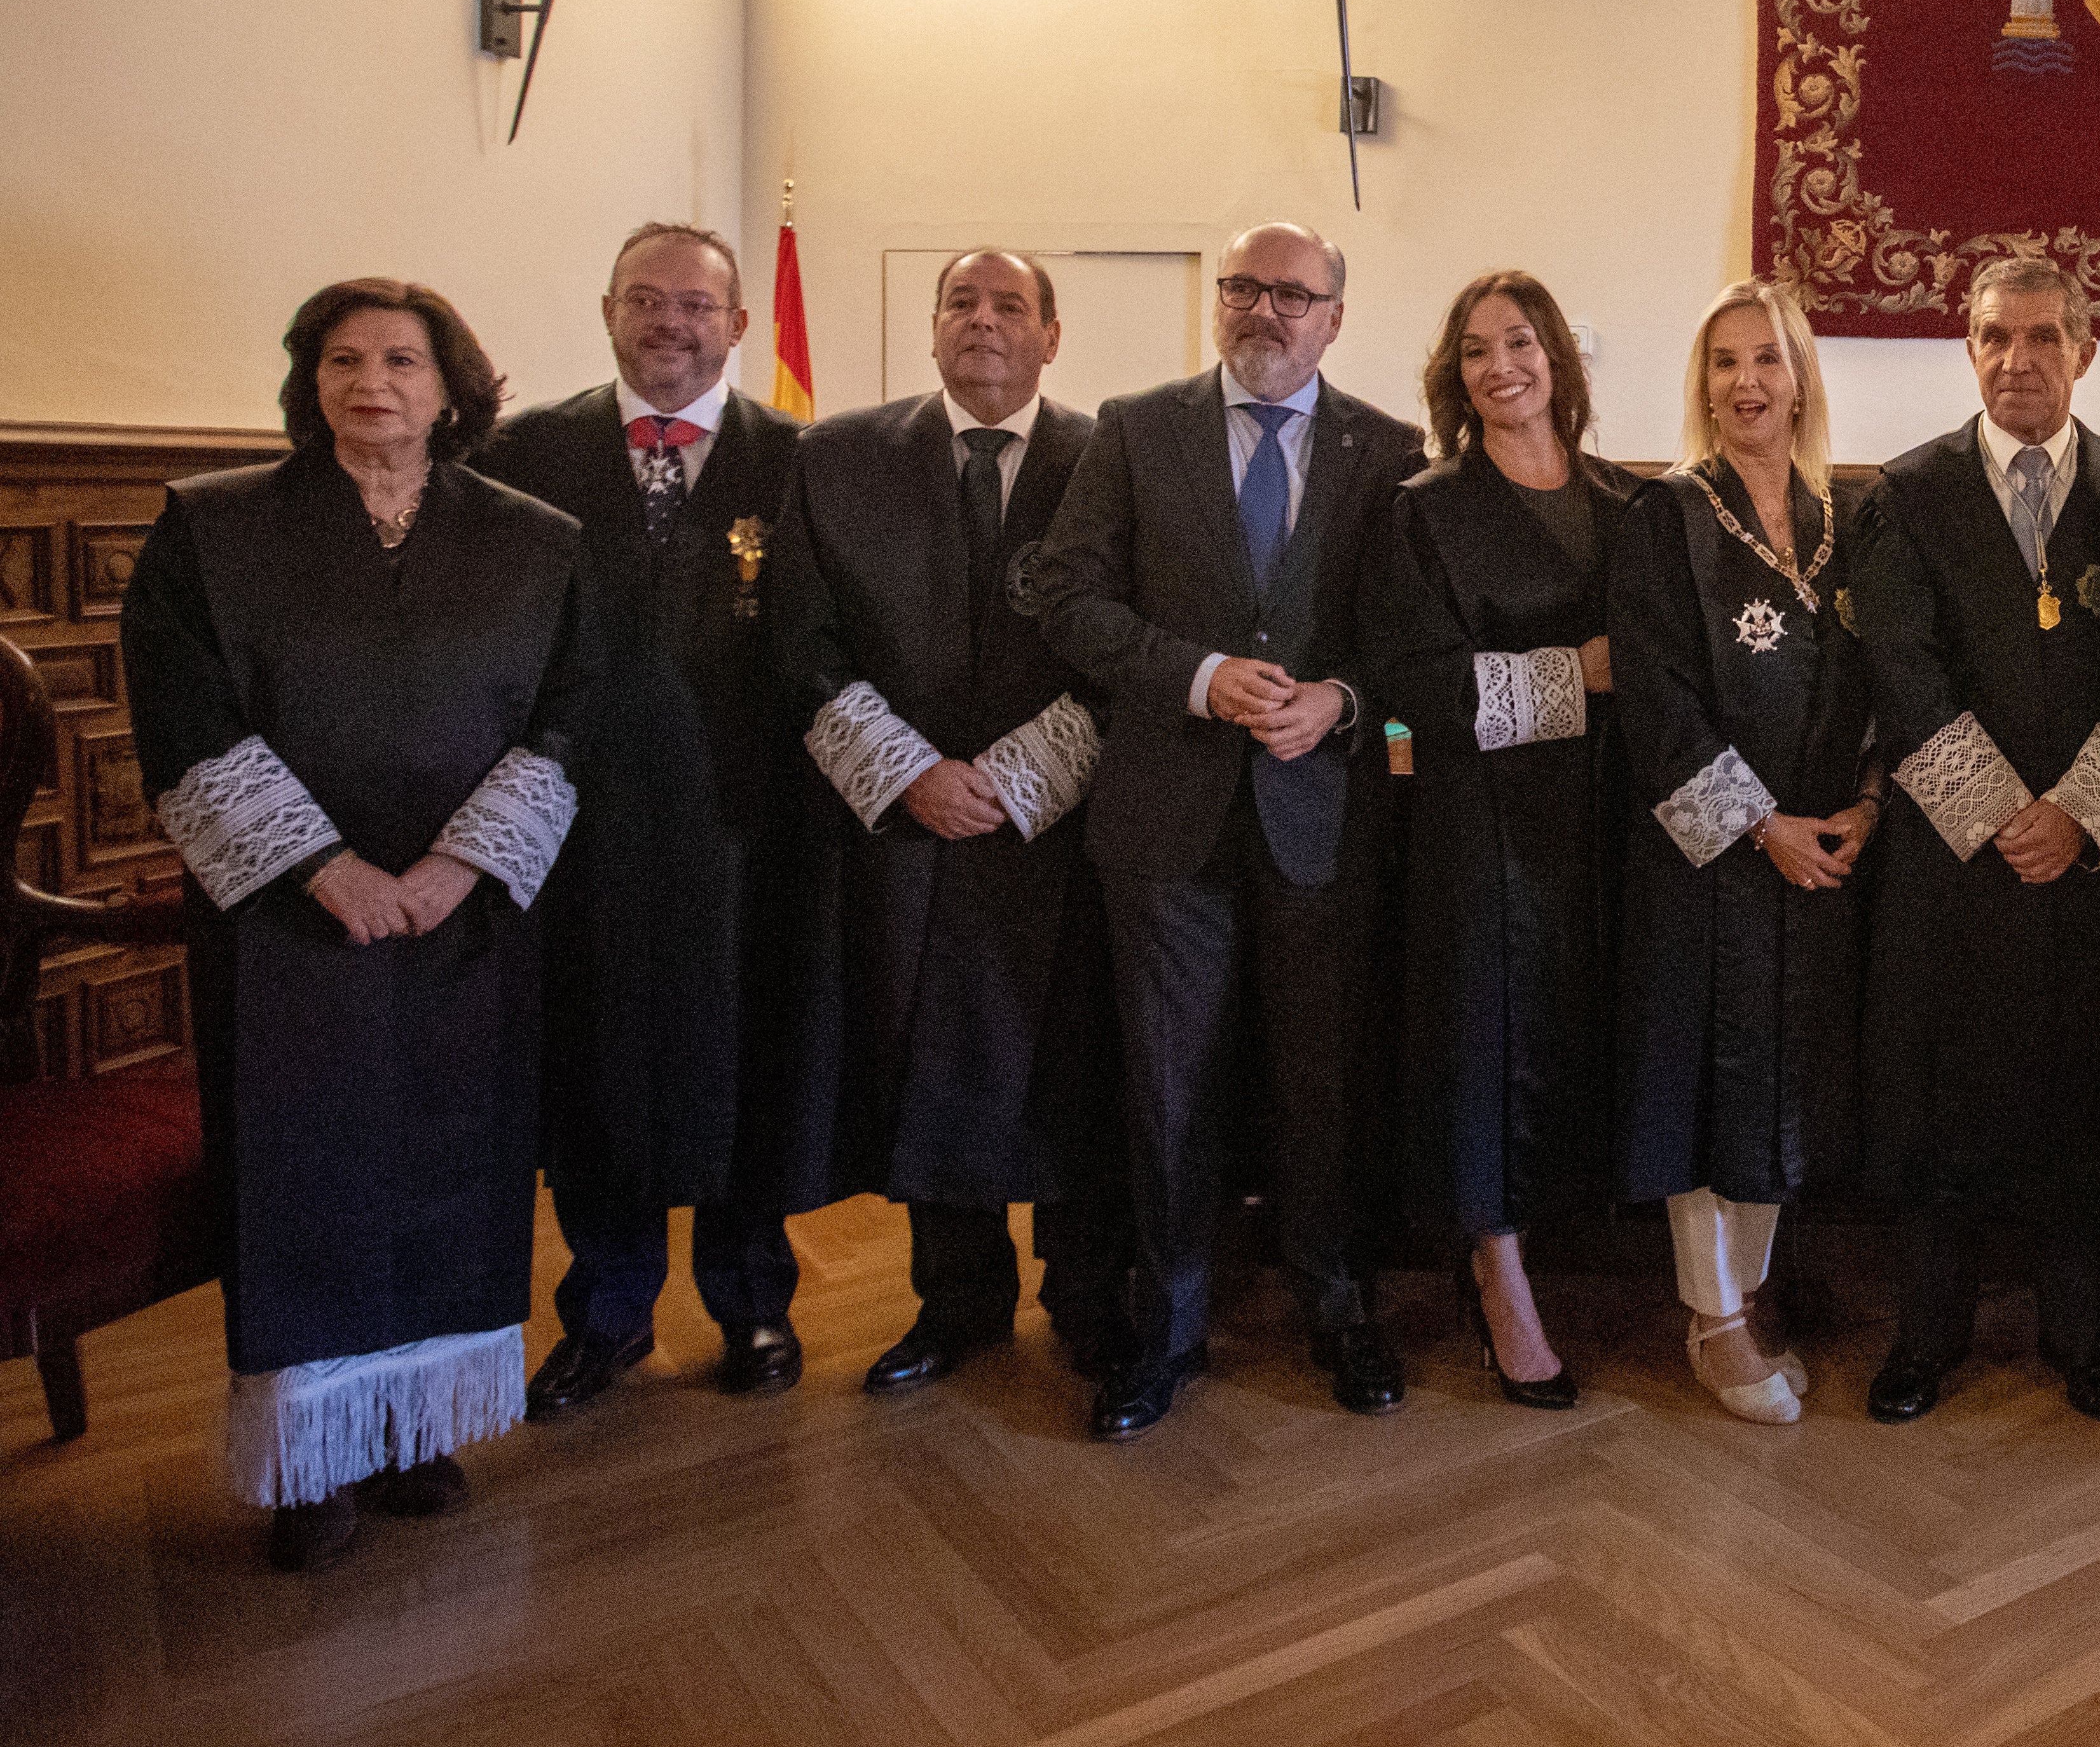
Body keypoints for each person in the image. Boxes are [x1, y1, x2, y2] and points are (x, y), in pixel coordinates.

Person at [127, 281, 589, 1569]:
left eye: (401, 359)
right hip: (289, 930)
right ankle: (311, 1465)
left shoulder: (536, 538)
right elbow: (183, 717)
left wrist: (456, 869)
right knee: (305, 1175)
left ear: (452, 385)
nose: (371, 383)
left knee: (454, 1166)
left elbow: (568, 713)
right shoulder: (212, 529)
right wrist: (325, 871)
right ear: (306, 379)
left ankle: (411, 1432)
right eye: (342, 359)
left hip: (465, 922)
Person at [1030, 221, 1424, 1439]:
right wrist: (1197, 675)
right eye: (1245, 289)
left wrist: (1343, 701)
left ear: (1334, 318)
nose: (1266, 311)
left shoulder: (1392, 451)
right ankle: (1169, 1324)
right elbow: (1068, 596)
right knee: (1165, 1082)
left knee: (1321, 1081)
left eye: (1293, 295)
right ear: (1219, 302)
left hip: (1322, 822)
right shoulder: (1134, 429)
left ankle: (1333, 1301)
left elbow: (1411, 644)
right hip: (1166, 820)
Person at [774, 249, 1129, 1396]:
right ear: (931, 328)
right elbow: (801, 640)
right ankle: (956, 1303)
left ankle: (1085, 1299)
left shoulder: (1111, 457)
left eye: (1009, 306)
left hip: (1064, 835)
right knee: (931, 1065)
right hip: (904, 826)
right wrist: (911, 771)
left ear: (1051, 337)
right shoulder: (837, 458)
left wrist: (1022, 778)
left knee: (1075, 1064)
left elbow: (1140, 641)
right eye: (961, 304)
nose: (983, 323)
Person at [476, 223, 815, 1414]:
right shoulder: (522, 454)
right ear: (608, 311)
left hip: (749, 828)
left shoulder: (802, 459)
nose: (670, 322)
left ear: (736, 325)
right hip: (578, 829)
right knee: (594, 1071)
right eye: (645, 300)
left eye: (696, 305)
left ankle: (752, 1304)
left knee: (746, 1068)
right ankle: (607, 1314)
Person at [1849, 256, 2100, 1424]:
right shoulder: (1908, 493)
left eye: (2042, 338)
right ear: (1966, 349)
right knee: (1944, 1097)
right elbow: (1899, 665)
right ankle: (1927, 1336)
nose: (2017, 361)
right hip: (1951, 859)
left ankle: (2086, 1337)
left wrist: (2076, 812)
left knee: (2080, 1094)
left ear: (2085, 351)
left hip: (2089, 857)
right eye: (1994, 338)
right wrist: (1993, 813)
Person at [1360, 269, 1641, 1408]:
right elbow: (1409, 688)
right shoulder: (1424, 508)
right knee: (1483, 1054)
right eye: (1475, 351)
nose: (1500, 367)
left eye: (1519, 343)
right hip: (1479, 827)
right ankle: (1500, 1287)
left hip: (1609, 816)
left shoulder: (1630, 504)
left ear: (1558, 360)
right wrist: (1579, 672)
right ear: (1454, 377)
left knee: (1585, 1040)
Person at [1608, 277, 1876, 1424]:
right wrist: (1759, 825)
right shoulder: (1665, 518)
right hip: (1713, 860)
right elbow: (1657, 699)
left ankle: (1751, 1291)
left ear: (1801, 376)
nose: (1745, 384)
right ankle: (1711, 1319)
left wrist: (1866, 799)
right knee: (1707, 1081)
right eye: (1723, 363)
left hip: (1818, 862)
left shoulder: (1842, 523)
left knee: (1776, 1087)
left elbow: (1879, 682)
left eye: (1766, 360)